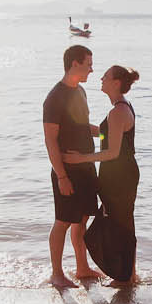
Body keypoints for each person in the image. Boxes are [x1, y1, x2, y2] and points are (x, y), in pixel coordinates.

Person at [64, 64, 139, 286]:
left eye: (105, 77)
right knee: (123, 222)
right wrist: (82, 127)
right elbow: (108, 135)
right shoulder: (122, 107)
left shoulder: (117, 112)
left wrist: (80, 158)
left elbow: (111, 152)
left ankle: (125, 277)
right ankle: (129, 274)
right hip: (122, 173)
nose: (101, 79)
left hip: (118, 175)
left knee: (119, 224)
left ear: (116, 83)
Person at [43, 45, 100, 287]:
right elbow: (50, 139)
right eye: (88, 63)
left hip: (86, 166)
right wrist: (61, 176)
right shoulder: (55, 97)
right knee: (63, 221)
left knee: (82, 220)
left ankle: (82, 267)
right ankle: (57, 274)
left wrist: (111, 136)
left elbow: (83, 127)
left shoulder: (80, 92)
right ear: (75, 64)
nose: (92, 69)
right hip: (67, 170)